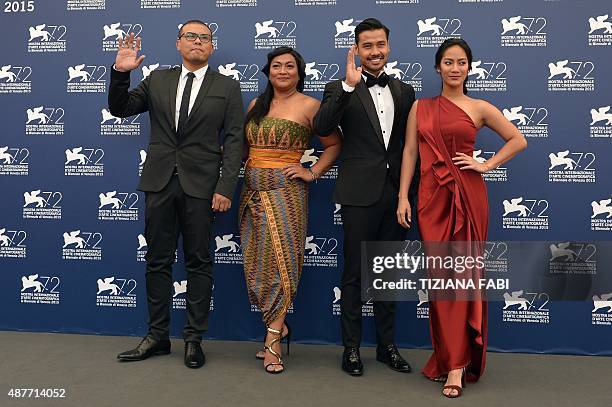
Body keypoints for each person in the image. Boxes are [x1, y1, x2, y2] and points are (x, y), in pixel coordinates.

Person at [109, 20, 244, 369]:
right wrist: (120, 73)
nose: (198, 42)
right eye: (191, 37)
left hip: (202, 187)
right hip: (159, 182)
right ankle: (156, 337)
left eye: (205, 38)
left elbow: (234, 141)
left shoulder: (227, 87)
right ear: (178, 43)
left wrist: (225, 186)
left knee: (199, 262)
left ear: (211, 47)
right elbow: (120, 108)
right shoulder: (157, 79)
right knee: (157, 261)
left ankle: (193, 340)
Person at [396, 38, 527, 398]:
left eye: (462, 63)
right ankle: (449, 357)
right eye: (449, 62)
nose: (455, 68)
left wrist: (485, 165)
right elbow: (410, 152)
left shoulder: (480, 106)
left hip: (468, 197)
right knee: (441, 281)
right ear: (438, 67)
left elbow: (518, 139)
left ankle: (456, 365)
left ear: (470, 68)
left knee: (464, 277)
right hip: (430, 199)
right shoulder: (420, 107)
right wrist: (402, 196)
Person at [313, 18, 417, 376]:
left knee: (388, 273)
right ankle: (352, 348)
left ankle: (387, 346)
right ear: (356, 49)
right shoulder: (338, 86)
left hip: (396, 195)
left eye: (380, 45)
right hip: (358, 194)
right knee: (356, 273)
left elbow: (407, 148)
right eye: (367, 46)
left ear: (388, 46)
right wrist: (346, 86)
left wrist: (405, 194)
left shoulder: (405, 91)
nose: (375, 52)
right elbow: (322, 127)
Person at [240, 47, 341, 374]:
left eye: (289, 66)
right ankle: (278, 327)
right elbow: (244, 147)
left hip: (286, 194)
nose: (282, 71)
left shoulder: (312, 106)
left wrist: (311, 172)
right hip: (251, 192)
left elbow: (335, 144)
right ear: (268, 71)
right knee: (257, 263)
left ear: (299, 73)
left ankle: (272, 342)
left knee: (283, 263)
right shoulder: (256, 104)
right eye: (276, 66)